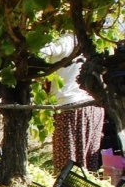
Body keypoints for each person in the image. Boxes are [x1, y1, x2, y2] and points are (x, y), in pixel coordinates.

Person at [41, 33, 105, 172]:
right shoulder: (93, 40)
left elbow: (42, 52)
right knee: (87, 164)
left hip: (70, 107)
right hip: (94, 107)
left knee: (66, 164)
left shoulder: (67, 40)